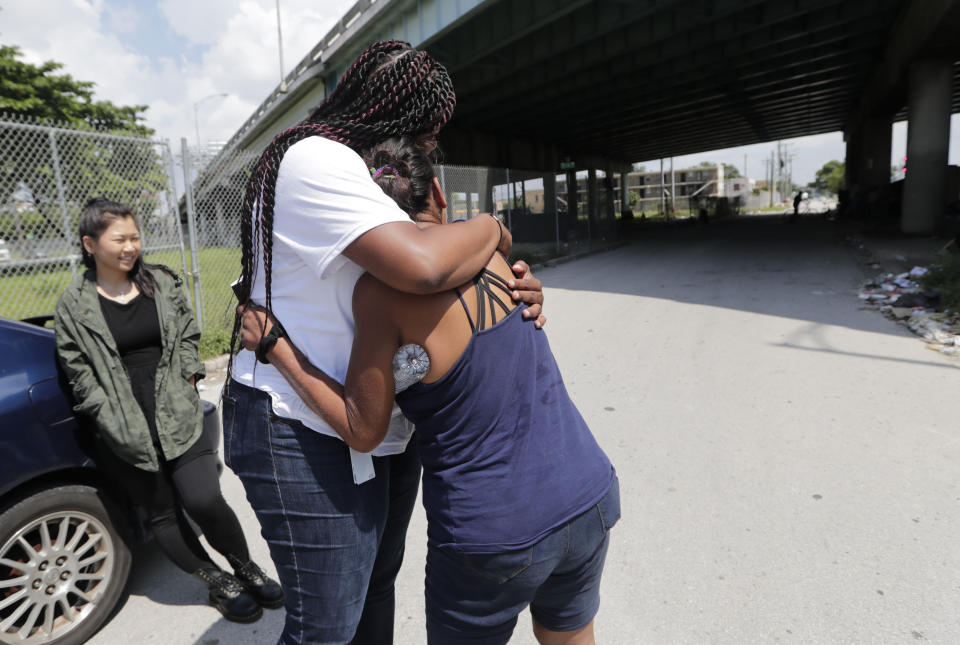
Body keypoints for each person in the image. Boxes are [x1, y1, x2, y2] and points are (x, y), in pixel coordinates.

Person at [224, 40, 545, 644]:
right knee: (328, 626)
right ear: (396, 113)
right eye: (426, 129)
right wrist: (495, 228)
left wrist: (512, 283)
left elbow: (441, 264)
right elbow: (422, 265)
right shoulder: (315, 159)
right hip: (303, 425)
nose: (428, 146)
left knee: (374, 586)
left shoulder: (366, 167)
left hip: (377, 417)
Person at [240, 138, 619, 645]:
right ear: (439, 193)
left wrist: (275, 347)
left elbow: (362, 429)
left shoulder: (379, 293)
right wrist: (491, 226)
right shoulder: (493, 254)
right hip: (587, 492)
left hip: (493, 535)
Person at [55, 197, 282, 624]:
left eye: (135, 237)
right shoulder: (74, 305)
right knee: (162, 514)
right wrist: (104, 414)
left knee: (206, 498)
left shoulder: (160, 282)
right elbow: (78, 370)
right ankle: (218, 580)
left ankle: (246, 568)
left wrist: (188, 379)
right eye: (118, 239)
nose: (130, 246)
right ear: (90, 243)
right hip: (123, 426)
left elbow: (188, 335)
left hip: (176, 409)